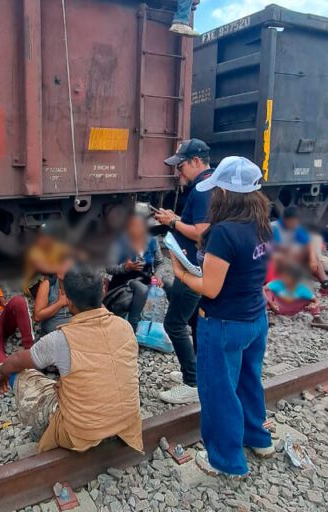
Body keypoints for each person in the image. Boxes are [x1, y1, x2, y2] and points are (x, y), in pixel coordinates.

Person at [169, 156, 275, 478]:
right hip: (255, 318)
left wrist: (181, 273)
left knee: (218, 393)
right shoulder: (262, 223)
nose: (214, 195)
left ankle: (226, 461)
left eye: (217, 190)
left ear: (226, 193)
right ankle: (258, 439)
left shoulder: (224, 232)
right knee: (248, 381)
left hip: (224, 323)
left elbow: (210, 288)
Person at [0, 265, 143, 454]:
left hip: (82, 434)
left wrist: (0, 372)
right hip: (127, 424)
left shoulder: (61, 338)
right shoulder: (125, 326)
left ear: (68, 301)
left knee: (19, 373)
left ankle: (47, 429)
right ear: (103, 290)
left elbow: (16, 360)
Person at [153, 139, 212, 404]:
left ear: (196, 161)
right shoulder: (211, 183)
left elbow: (201, 232)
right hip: (201, 265)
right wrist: (176, 219)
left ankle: (192, 382)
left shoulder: (202, 189)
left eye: (181, 166)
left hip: (192, 266)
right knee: (196, 321)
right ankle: (199, 372)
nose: (178, 172)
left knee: (174, 323)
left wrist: (172, 222)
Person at [104, 212, 164, 332]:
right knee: (141, 289)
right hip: (123, 283)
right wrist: (126, 267)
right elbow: (108, 268)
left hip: (145, 278)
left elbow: (160, 262)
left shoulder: (152, 241)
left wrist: (158, 276)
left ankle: (168, 326)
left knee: (167, 285)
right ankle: (132, 326)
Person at [271, 206, 328, 299]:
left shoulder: (294, 226)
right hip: (272, 260)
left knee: (313, 257)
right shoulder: (275, 228)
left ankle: (326, 286)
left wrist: (312, 259)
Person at [264, 259, 328, 330]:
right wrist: (271, 303)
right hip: (276, 307)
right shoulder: (278, 283)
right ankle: (269, 313)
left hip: (285, 307)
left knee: (310, 300)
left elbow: (314, 300)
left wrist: (314, 305)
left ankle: (316, 318)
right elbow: (264, 289)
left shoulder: (300, 288)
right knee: (267, 291)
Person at [33, 269, 73, 337]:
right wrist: (59, 303)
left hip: (73, 334)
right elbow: (37, 316)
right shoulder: (47, 285)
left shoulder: (79, 285)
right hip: (50, 335)